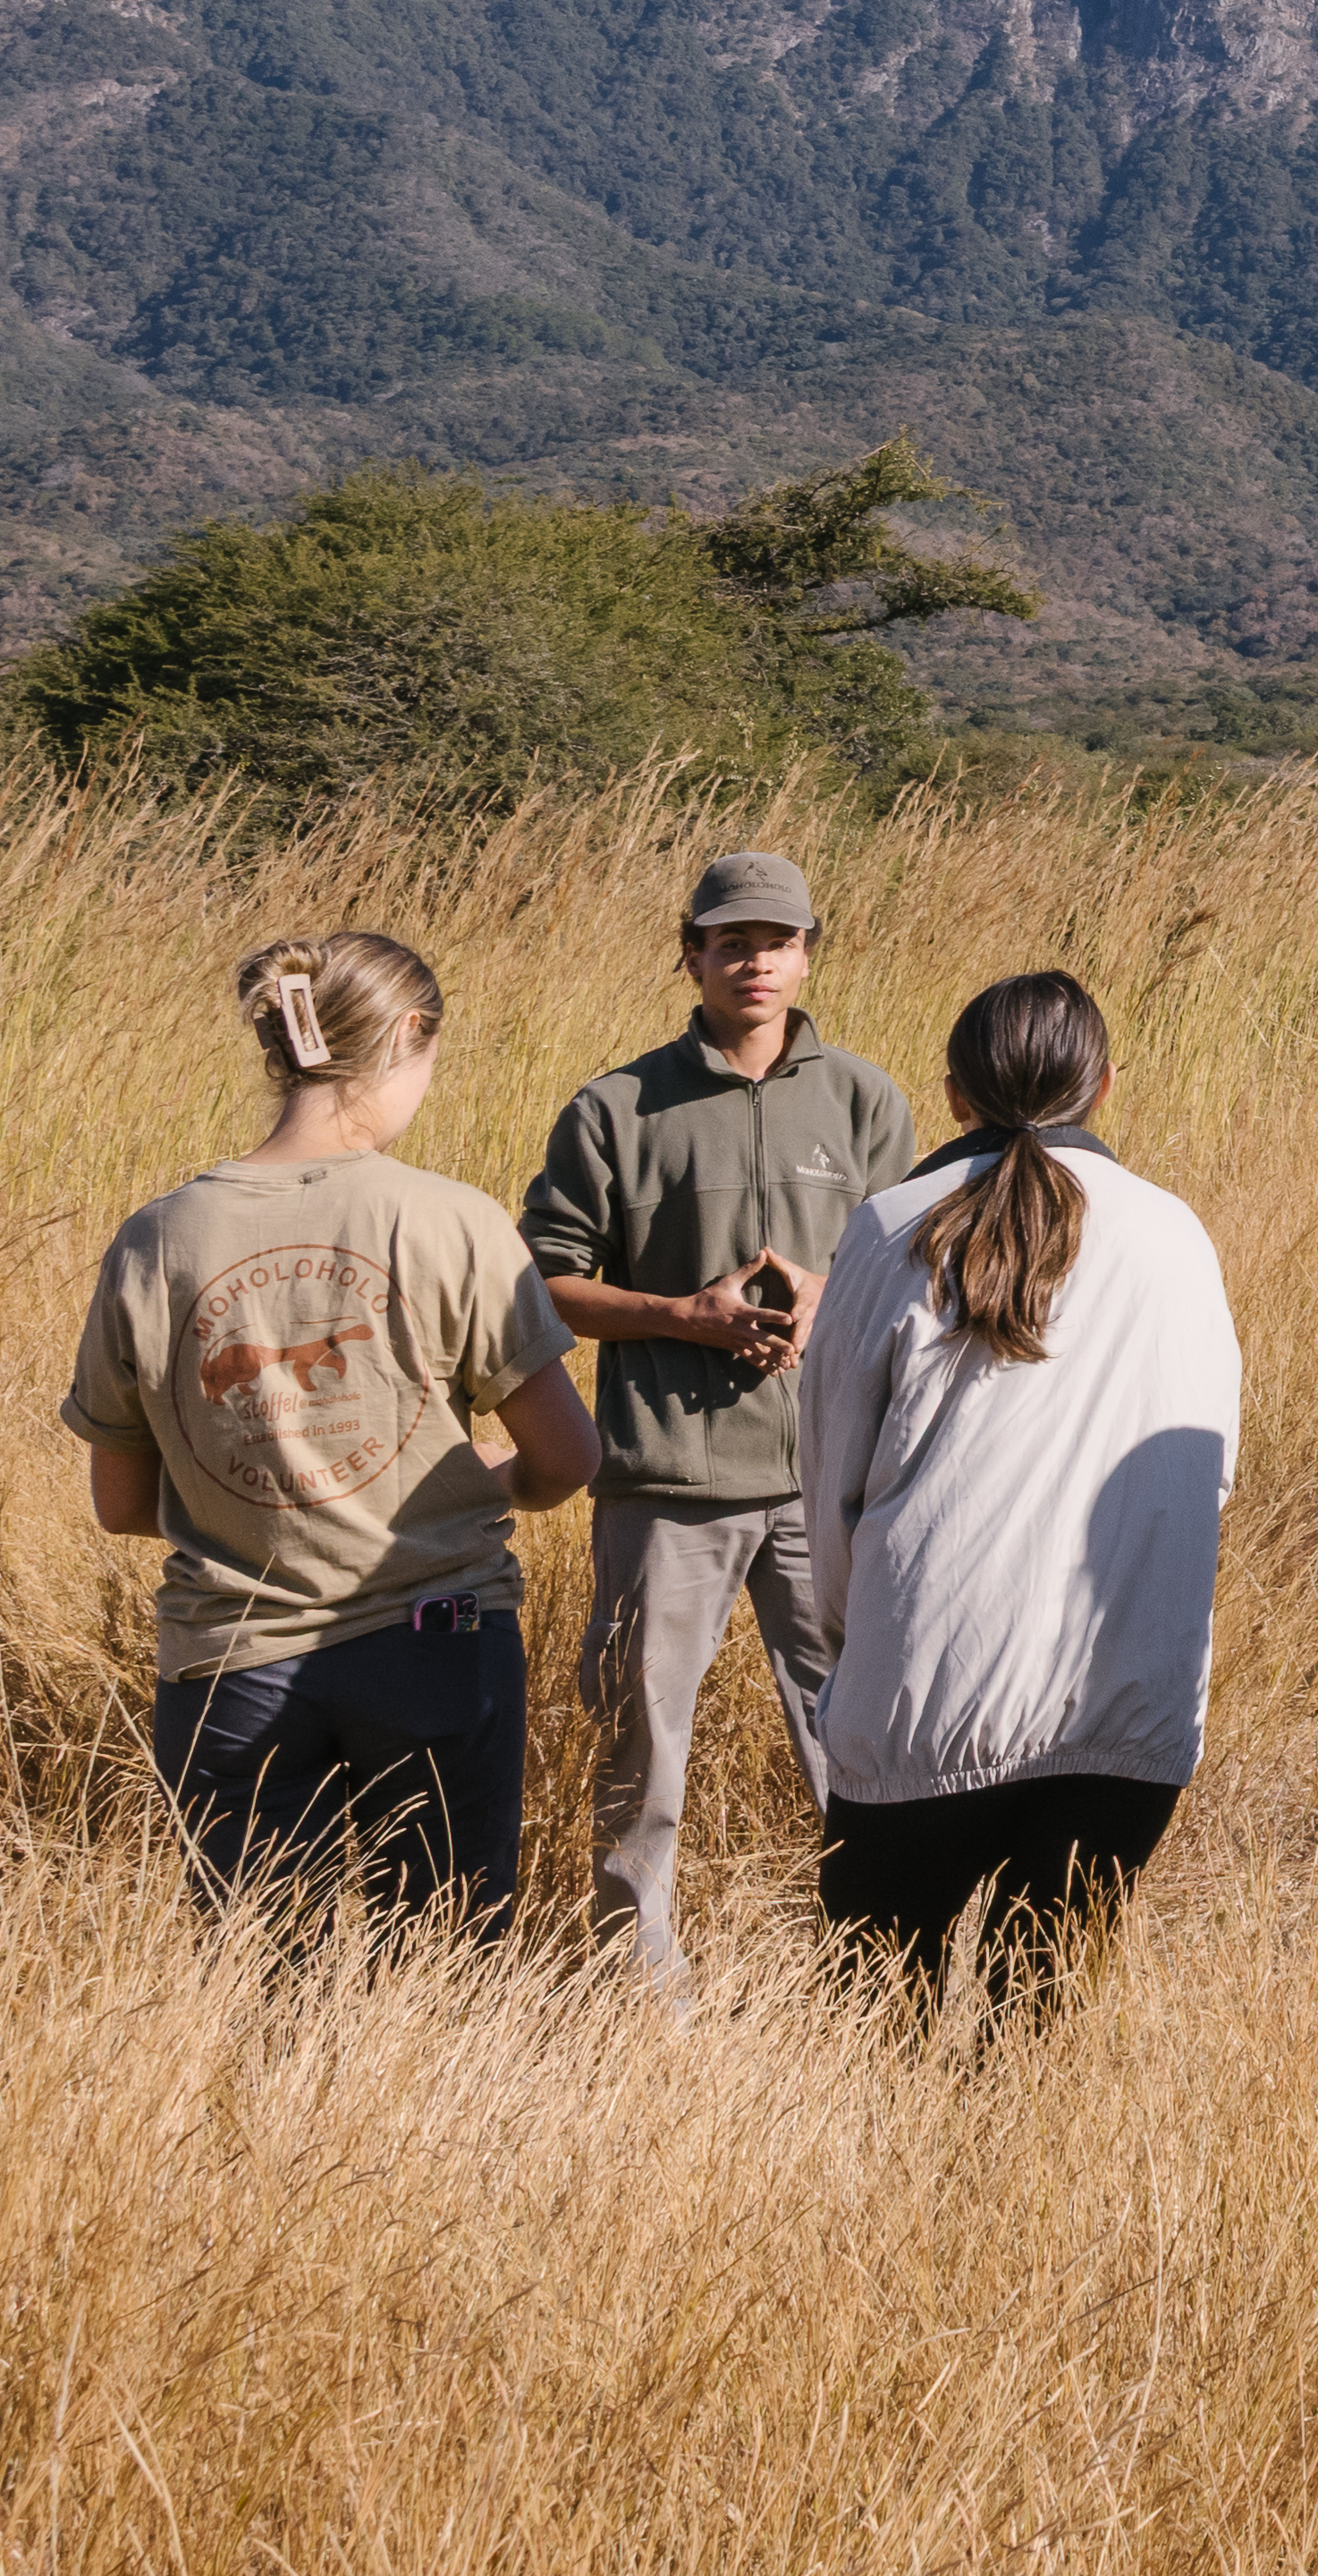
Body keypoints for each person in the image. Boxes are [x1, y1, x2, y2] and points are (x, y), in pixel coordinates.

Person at [64, 929, 602, 1933]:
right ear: (406, 1036)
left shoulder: (156, 1238)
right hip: (433, 1642)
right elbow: (567, 1457)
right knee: (443, 1959)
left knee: (261, 1970)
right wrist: (494, 1478)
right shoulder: (451, 1221)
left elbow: (120, 1502)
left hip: (227, 1662)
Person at [522, 845, 915, 1998]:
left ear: (808, 953)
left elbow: (914, 1265)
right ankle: (636, 1992)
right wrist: (684, 1315)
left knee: (853, 1738)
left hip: (827, 1475)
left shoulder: (862, 1097)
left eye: (776, 939)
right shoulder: (616, 1106)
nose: (754, 960)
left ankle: (875, 1967)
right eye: (730, 940)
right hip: (664, 1480)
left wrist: (827, 1305)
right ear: (689, 952)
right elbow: (544, 1285)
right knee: (640, 1746)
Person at [804, 970, 1239, 1998]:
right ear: (1105, 1085)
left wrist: (852, 1651)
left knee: (873, 2028)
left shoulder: (888, 1226)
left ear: (954, 1094)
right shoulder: (1176, 1232)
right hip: (1125, 1710)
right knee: (1037, 2018)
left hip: (918, 1697)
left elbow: (829, 1490)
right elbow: (1211, 1472)